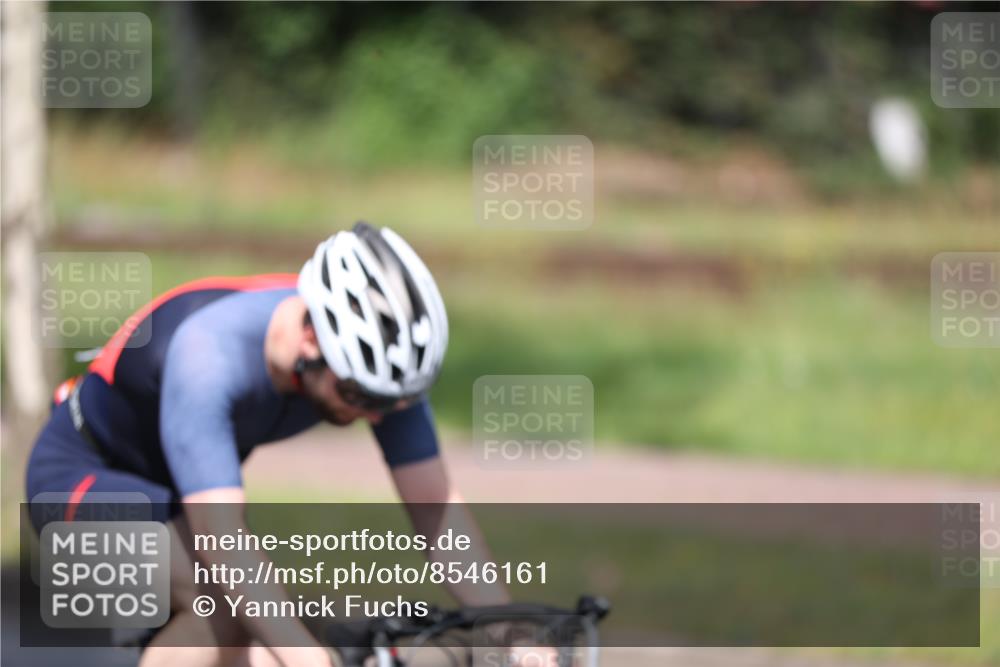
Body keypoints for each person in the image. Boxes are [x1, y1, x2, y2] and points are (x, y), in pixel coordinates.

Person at [26, 222, 511, 667]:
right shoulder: (207, 358)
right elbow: (222, 542)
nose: (375, 416)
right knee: (223, 608)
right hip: (79, 478)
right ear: (308, 339)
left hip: (173, 493)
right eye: (359, 397)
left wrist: (510, 632)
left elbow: (436, 511)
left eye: (391, 402)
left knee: (265, 637)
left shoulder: (372, 373)